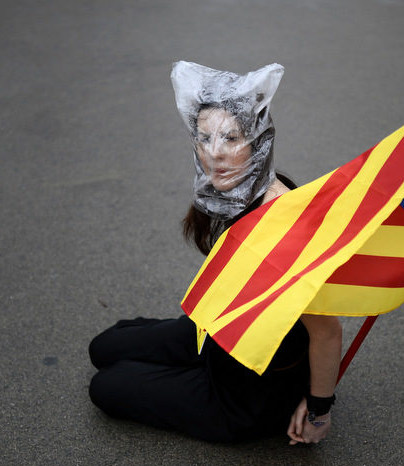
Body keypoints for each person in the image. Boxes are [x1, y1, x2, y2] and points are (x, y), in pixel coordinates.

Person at [89, 61, 342, 444]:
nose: (215, 154)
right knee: (104, 347)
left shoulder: (282, 223)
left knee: (105, 387)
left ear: (258, 142)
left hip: (246, 392)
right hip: (218, 333)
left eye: (230, 138)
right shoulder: (228, 195)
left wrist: (320, 412)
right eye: (204, 139)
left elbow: (326, 331)